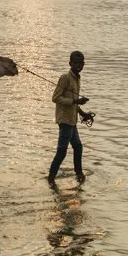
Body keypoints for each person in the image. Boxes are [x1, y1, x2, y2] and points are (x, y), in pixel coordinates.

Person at [48, 50, 95, 181]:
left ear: (84, 64)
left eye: (81, 63)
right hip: (65, 120)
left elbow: (74, 102)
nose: (78, 65)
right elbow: (55, 98)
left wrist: (82, 113)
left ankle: (79, 174)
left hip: (72, 120)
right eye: (76, 63)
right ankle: (51, 178)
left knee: (78, 147)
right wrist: (75, 101)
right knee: (62, 151)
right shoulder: (65, 78)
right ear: (70, 63)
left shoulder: (77, 78)